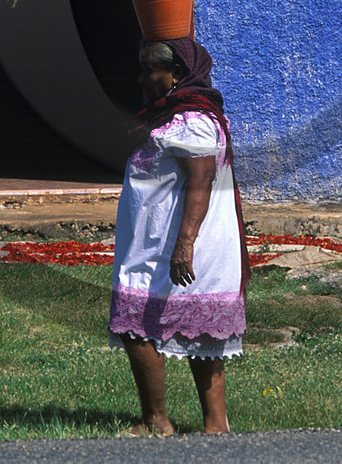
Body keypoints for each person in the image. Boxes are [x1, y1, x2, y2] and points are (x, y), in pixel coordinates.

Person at [109, 37, 248, 436]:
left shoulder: (192, 120)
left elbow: (200, 180)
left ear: (176, 74)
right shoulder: (177, 116)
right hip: (164, 238)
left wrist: (184, 242)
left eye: (149, 70)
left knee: (138, 321)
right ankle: (213, 425)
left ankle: (159, 421)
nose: (142, 79)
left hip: (172, 243)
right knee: (197, 326)